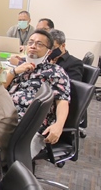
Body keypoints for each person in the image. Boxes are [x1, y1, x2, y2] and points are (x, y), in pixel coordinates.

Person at [5, 29, 70, 157]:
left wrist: (59, 125)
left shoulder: (55, 72)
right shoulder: (21, 67)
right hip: (5, 114)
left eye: (39, 44)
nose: (33, 46)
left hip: (29, 123)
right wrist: (14, 72)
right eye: (30, 43)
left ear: (49, 52)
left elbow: (62, 101)